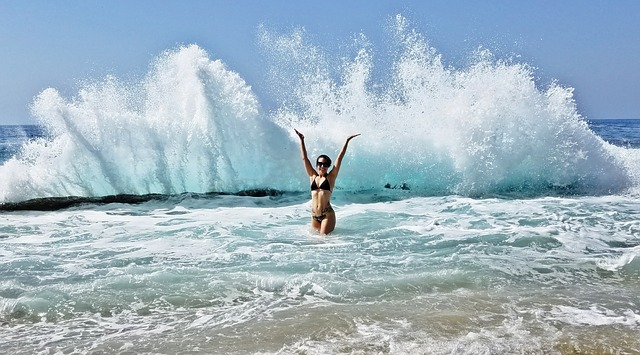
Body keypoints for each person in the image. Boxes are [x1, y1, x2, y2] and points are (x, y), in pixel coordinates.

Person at [294, 129, 360, 235]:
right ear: (317, 165)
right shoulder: (312, 176)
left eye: (325, 164)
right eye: (320, 164)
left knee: (323, 242)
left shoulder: (331, 177)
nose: (322, 166)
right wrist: (302, 140)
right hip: (314, 216)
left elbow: (340, 158)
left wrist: (346, 141)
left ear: (328, 166)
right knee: (315, 244)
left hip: (327, 215)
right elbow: (304, 158)